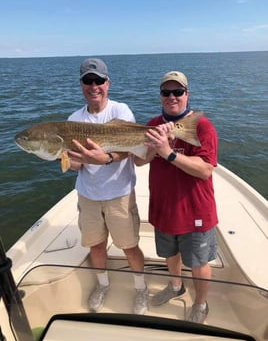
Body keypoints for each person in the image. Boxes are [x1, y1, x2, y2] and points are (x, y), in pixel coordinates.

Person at [135, 71, 218, 324]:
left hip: (195, 209)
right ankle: (175, 286)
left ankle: (201, 304)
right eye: (166, 92)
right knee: (170, 255)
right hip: (163, 206)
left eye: (178, 92)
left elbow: (205, 169)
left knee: (198, 261)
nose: (172, 97)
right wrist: (153, 147)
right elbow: (139, 161)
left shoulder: (201, 126)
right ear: (160, 96)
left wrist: (168, 152)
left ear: (186, 94)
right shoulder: (152, 124)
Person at [67, 58, 148, 315]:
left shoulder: (120, 111)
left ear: (107, 83)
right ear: (81, 85)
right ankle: (102, 285)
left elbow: (131, 145)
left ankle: (141, 288)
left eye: (98, 80)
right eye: (88, 81)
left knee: (129, 246)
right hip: (88, 195)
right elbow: (75, 165)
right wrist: (71, 160)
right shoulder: (74, 119)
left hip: (119, 193)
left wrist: (106, 159)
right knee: (96, 245)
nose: (94, 86)